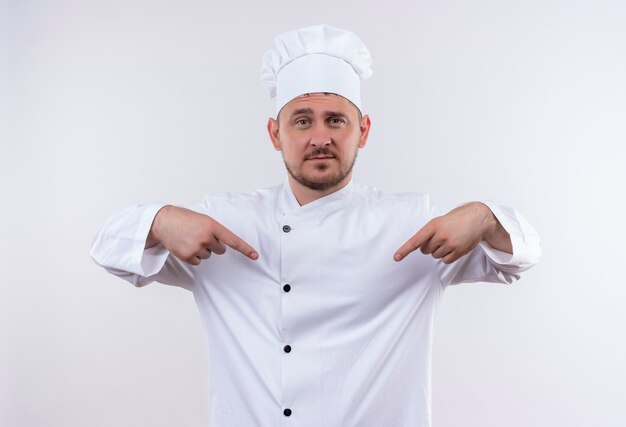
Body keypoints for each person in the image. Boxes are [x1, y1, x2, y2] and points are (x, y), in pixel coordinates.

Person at [90, 24, 541, 427]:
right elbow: (106, 249)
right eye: (302, 121)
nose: (319, 138)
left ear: (363, 131)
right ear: (274, 133)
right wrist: (160, 219)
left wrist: (483, 217)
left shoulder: (413, 222)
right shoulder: (224, 223)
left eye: (336, 121)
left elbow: (521, 256)